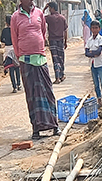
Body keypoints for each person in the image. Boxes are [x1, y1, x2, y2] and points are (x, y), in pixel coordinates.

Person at [11, 0, 60, 139]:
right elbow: (14, 38)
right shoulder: (15, 17)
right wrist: (20, 54)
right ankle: (36, 129)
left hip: (40, 58)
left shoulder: (39, 13)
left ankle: (54, 126)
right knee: (32, 94)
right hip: (25, 60)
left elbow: (43, 32)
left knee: (48, 92)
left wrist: (40, 48)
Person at [85, 20, 102, 106]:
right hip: (92, 64)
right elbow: (86, 53)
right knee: (96, 84)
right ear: (91, 29)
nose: (94, 30)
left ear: (99, 29)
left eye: (96, 28)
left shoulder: (100, 39)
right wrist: (93, 53)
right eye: (93, 28)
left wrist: (92, 53)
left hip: (99, 64)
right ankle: (99, 100)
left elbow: (99, 51)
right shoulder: (89, 40)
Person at [44, 2, 68, 84]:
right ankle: (62, 75)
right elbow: (65, 31)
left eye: (50, 8)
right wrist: (65, 41)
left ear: (52, 8)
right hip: (60, 40)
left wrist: (44, 9)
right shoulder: (62, 18)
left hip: (52, 40)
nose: (49, 10)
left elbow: (40, 17)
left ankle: (57, 77)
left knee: (55, 59)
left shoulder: (49, 18)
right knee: (61, 58)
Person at [1, 15, 22, 93]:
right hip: (15, 48)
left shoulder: (4, 31)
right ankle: (19, 84)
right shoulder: (15, 29)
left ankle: (14, 87)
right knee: (17, 67)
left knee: (11, 69)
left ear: (6, 23)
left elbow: (2, 40)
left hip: (8, 49)